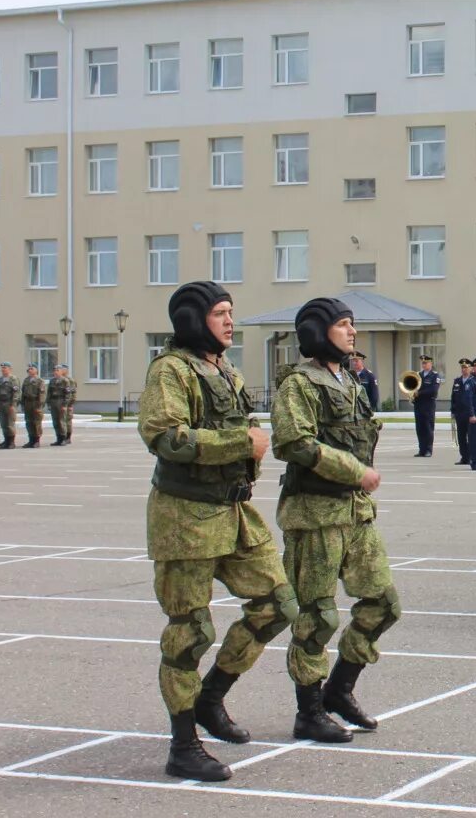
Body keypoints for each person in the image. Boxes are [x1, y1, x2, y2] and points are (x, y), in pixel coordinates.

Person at [138, 280, 294, 782]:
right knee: (189, 632)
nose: (229, 321)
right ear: (192, 319)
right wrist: (239, 442)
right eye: (220, 313)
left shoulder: (222, 368)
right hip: (185, 516)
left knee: (279, 604)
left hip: (232, 512)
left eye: (231, 312)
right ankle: (183, 744)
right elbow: (164, 436)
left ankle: (211, 698)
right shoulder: (171, 370)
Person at [272, 297, 394, 744]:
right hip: (315, 515)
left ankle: (340, 690)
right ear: (318, 331)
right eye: (343, 325)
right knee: (316, 616)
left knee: (383, 604)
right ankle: (308, 710)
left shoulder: (350, 381)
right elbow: (293, 442)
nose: (352, 331)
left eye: (352, 324)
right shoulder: (299, 384)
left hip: (356, 512)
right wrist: (354, 471)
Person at [449, 358, 473, 466]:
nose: (464, 369)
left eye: (466, 367)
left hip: (470, 413)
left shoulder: (473, 380)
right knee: (461, 436)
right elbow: (453, 397)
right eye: (462, 367)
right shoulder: (457, 381)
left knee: (471, 436)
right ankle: (464, 457)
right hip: (459, 413)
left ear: (470, 368)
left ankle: (472, 457)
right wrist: (453, 410)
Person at [47, 363, 76, 446]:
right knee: (55, 421)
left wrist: (66, 405)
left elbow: (68, 394)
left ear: (61, 371)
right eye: (54, 370)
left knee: (62, 421)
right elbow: (49, 393)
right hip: (53, 402)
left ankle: (64, 438)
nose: (55, 372)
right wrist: (48, 403)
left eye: (57, 370)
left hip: (61, 401)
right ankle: (58, 438)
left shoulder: (65, 381)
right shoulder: (52, 381)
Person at [20, 363, 46, 448]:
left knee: (36, 422)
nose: (29, 371)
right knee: (28, 422)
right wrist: (22, 404)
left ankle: (36, 440)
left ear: (36, 370)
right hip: (28, 403)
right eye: (29, 369)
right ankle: (31, 440)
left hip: (35, 403)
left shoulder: (40, 381)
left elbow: (42, 394)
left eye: (31, 369)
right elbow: (23, 393)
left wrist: (39, 406)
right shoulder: (26, 380)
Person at [0, 362, 18, 449]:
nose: (3, 369)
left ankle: (11, 442)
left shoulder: (13, 379)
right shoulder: (0, 379)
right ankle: (6, 440)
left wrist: (13, 405)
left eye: (5, 368)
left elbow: (16, 393)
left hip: (9, 403)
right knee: (3, 423)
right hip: (1, 403)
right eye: (2, 368)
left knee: (10, 423)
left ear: (10, 369)